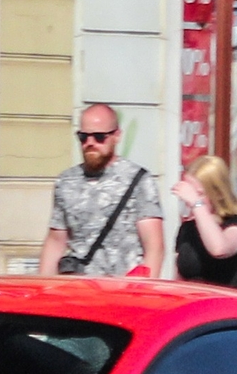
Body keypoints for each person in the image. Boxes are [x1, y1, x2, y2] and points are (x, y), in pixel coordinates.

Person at [44, 103, 163, 276]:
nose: (90, 143)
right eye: (83, 137)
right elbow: (55, 242)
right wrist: (45, 291)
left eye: (99, 137)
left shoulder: (139, 180)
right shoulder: (66, 181)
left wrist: (146, 293)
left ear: (116, 136)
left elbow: (154, 247)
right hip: (78, 290)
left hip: (123, 291)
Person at [170, 155, 237, 289]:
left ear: (218, 193)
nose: (190, 199)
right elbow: (178, 277)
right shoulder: (188, 228)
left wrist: (197, 204)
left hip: (226, 305)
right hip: (193, 304)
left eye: (199, 193)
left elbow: (219, 248)